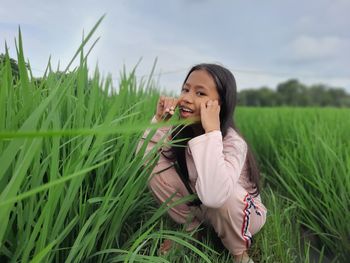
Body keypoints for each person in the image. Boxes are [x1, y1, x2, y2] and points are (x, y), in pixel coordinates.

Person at [138, 63, 266, 263]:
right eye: (185, 89)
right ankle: (191, 229)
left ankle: (239, 252)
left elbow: (216, 197)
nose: (187, 98)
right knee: (154, 166)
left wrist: (212, 132)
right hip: (206, 205)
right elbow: (146, 158)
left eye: (200, 93)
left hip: (242, 214)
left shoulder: (233, 143)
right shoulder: (181, 133)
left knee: (224, 194)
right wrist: (160, 122)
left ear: (219, 105)